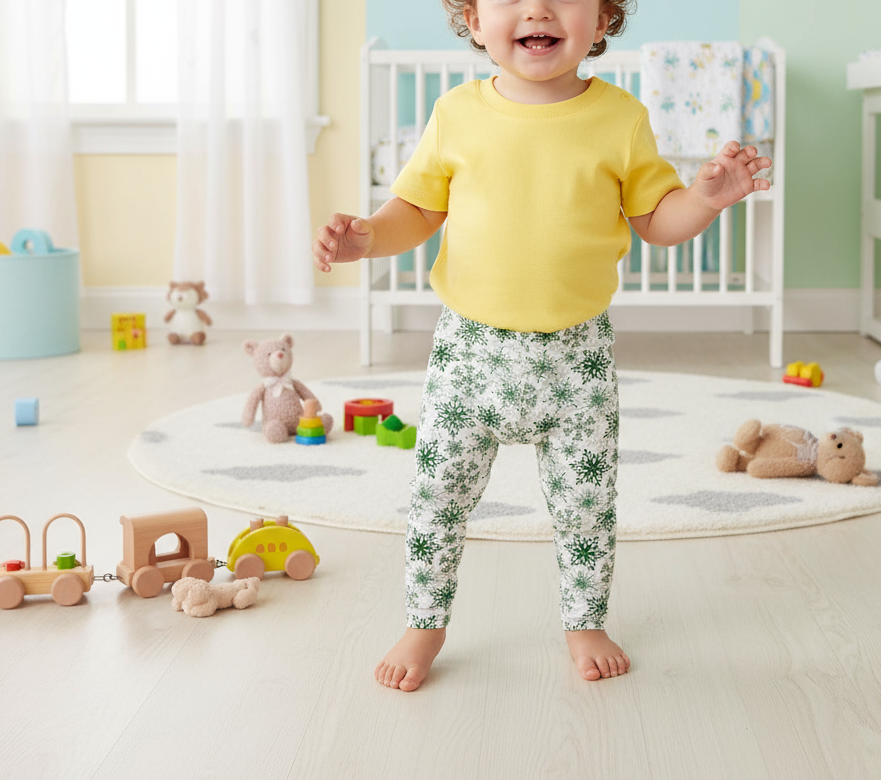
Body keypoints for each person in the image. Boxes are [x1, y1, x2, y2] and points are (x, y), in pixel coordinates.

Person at [311, 0, 771, 692]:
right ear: (472, 20)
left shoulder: (621, 118)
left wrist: (705, 198)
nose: (538, 9)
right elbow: (416, 210)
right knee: (437, 495)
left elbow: (655, 218)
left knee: (587, 502)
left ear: (604, 18)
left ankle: (584, 619)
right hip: (470, 352)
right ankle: (424, 621)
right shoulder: (457, 114)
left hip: (576, 356)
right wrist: (367, 238)